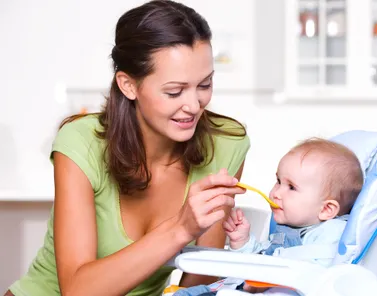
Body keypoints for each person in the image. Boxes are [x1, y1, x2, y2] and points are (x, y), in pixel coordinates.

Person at [5, 1, 250, 295]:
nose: (193, 105)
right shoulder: (81, 143)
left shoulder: (226, 144)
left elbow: (203, 278)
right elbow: (78, 291)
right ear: (128, 85)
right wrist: (180, 228)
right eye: (174, 91)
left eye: (205, 85)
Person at [172, 138, 363, 295]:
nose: (276, 193)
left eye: (291, 187)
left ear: (327, 209)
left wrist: (265, 279)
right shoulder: (290, 229)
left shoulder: (330, 235)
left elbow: (312, 273)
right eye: (278, 181)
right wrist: (243, 242)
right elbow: (262, 258)